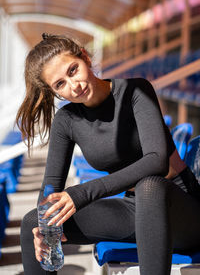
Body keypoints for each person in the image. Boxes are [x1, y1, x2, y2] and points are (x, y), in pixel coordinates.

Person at [16, 33, 200, 275]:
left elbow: (157, 161)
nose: (74, 86)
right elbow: (51, 187)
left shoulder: (135, 91)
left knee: (149, 186)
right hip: (134, 210)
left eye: (73, 70)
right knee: (34, 223)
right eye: (60, 84)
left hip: (180, 211)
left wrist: (80, 194)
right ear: (54, 91)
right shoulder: (67, 120)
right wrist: (45, 226)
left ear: (85, 58)